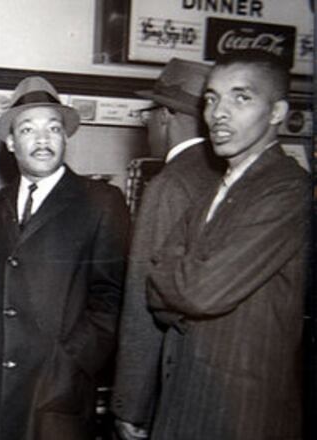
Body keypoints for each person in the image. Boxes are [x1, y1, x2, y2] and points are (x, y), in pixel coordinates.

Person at [0, 75, 130, 440]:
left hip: (61, 392)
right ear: (12, 142)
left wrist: (69, 365)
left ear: (65, 137)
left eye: (54, 128)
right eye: (28, 129)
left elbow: (112, 299)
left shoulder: (101, 202)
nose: (43, 139)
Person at [146, 49, 310, 439]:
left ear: (276, 113)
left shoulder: (287, 189)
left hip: (240, 412)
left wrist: (175, 280)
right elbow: (157, 280)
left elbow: (201, 292)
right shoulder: (220, 183)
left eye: (241, 98)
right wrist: (177, 280)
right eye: (212, 98)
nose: (219, 113)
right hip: (188, 395)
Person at [111, 58, 224, 439]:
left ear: (165, 116)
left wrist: (130, 401)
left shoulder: (169, 184)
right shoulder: (230, 174)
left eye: (149, 114)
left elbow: (144, 298)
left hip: (168, 379)